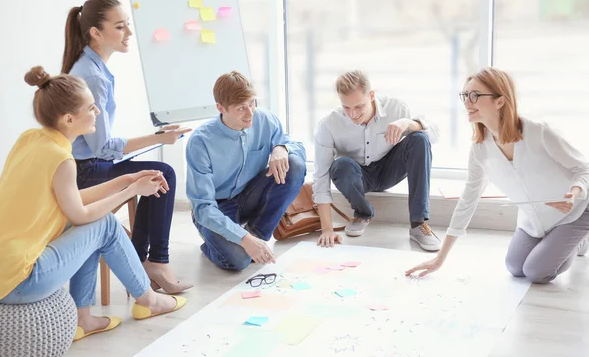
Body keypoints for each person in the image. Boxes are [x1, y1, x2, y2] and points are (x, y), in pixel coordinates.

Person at [0, 67, 186, 341]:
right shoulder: (61, 159)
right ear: (69, 119)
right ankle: (149, 300)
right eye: (92, 108)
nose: (97, 113)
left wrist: (127, 178)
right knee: (103, 223)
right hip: (20, 281)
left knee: (96, 223)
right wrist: (131, 189)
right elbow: (80, 215)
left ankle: (84, 319)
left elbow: (71, 201)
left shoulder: (29, 140)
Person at [405, 66, 589, 283]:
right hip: (534, 220)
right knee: (515, 267)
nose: (467, 102)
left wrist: (574, 193)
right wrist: (440, 258)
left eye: (475, 95)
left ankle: (578, 240)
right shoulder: (480, 150)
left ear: (500, 101)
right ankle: (556, 242)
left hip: (575, 211)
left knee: (537, 272)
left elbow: (583, 169)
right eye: (465, 95)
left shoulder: (539, 132)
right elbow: (467, 202)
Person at [62, 0, 192, 293]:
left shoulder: (91, 68)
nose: (129, 34)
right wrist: (158, 138)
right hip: (85, 171)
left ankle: (143, 261)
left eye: (127, 25)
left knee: (158, 173)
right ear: (96, 32)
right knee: (163, 174)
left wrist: (158, 136)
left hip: (88, 164)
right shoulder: (92, 77)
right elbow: (101, 147)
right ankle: (152, 262)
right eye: (120, 27)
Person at [186, 71, 307, 271]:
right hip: (216, 208)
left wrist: (281, 148)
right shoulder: (200, 142)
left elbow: (297, 147)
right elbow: (204, 209)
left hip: (250, 195)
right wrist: (242, 239)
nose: (250, 113)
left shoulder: (265, 120)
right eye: (241, 108)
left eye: (252, 103)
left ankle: (256, 236)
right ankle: (215, 244)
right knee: (239, 261)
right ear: (221, 108)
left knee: (294, 165)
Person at [313, 70, 441, 251]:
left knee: (419, 139)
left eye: (358, 106)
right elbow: (321, 177)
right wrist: (327, 229)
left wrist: (408, 123)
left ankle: (418, 224)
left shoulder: (396, 108)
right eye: (346, 107)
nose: (353, 114)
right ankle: (362, 213)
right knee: (340, 166)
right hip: (357, 176)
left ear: (372, 95)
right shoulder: (329, 124)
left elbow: (435, 135)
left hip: (390, 169)